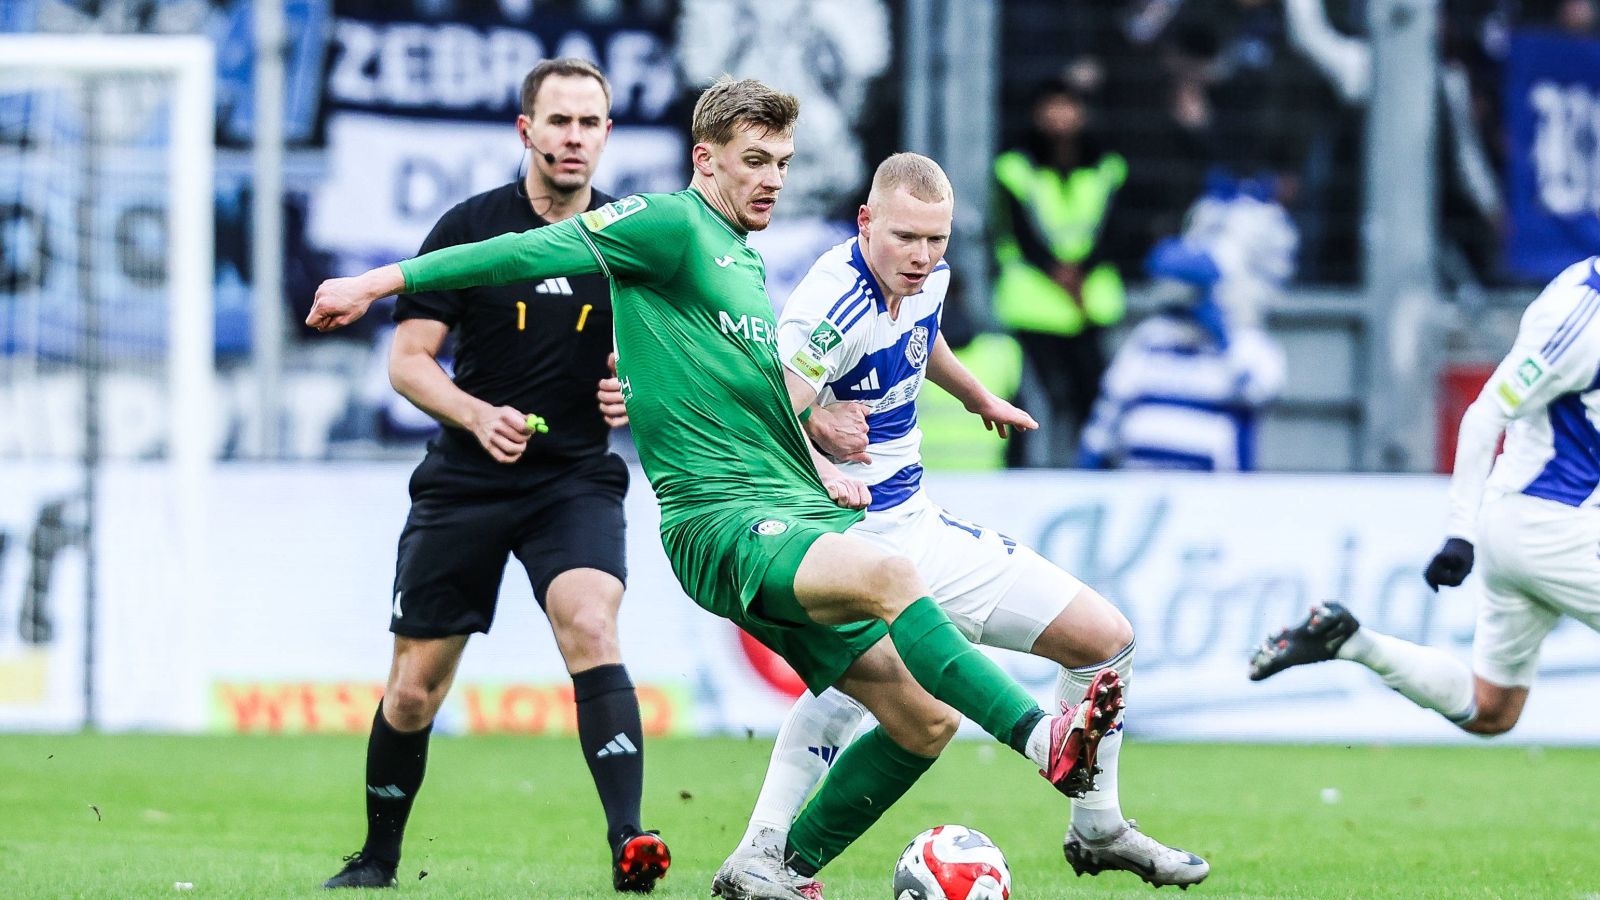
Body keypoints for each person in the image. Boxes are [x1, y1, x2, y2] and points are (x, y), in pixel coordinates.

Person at [307, 76, 1124, 900]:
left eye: (784, 162)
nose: (773, 178)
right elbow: (522, 251)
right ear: (707, 159)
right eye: (755, 160)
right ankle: (1039, 738)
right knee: (893, 577)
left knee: (923, 720)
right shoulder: (669, 223)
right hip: (722, 522)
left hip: (784, 505)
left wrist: (815, 448)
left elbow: (734, 383)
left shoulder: (740, 258)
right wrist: (375, 284)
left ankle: (771, 872)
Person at [682, 152, 1209, 892]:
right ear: (866, 223)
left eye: (937, 240)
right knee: (853, 697)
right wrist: (824, 461)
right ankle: (767, 857)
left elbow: (923, 338)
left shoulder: (927, 278)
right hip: (845, 541)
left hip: (918, 527)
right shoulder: (827, 307)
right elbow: (770, 411)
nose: (923, 257)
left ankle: (1098, 829)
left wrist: (974, 395)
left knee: (1105, 640)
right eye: (905, 238)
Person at [320, 59, 669, 893]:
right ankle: (376, 858)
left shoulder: (630, 240)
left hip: (574, 479)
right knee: (413, 691)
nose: (575, 137)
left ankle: (631, 840)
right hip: (466, 482)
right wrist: (476, 414)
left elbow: (668, 361)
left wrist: (638, 387)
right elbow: (408, 364)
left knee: (592, 620)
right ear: (527, 130)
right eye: (560, 122)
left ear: (608, 134)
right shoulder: (470, 228)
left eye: (591, 123)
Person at [1250, 255, 1600, 737]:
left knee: (1490, 710)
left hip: (1523, 523)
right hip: (1553, 526)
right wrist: (1460, 532)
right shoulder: (1581, 318)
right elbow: (1485, 414)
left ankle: (1350, 641)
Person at [1078, 173, 1292, 471]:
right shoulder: (1151, 337)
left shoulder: (1249, 346)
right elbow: (1109, 411)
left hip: (1207, 502)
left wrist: (1223, 337)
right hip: (1136, 491)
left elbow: (1258, 388)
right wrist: (1088, 463)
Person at [991, 80, 1129, 467]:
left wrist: (1080, 274)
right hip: (1035, 307)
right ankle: (1042, 472)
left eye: (1067, 106)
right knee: (1042, 401)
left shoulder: (1107, 166)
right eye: (1052, 106)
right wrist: (1066, 277)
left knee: (1094, 399)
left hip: (1090, 306)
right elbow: (1017, 232)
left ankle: (1091, 470)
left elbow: (1115, 230)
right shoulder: (1015, 166)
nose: (1060, 116)